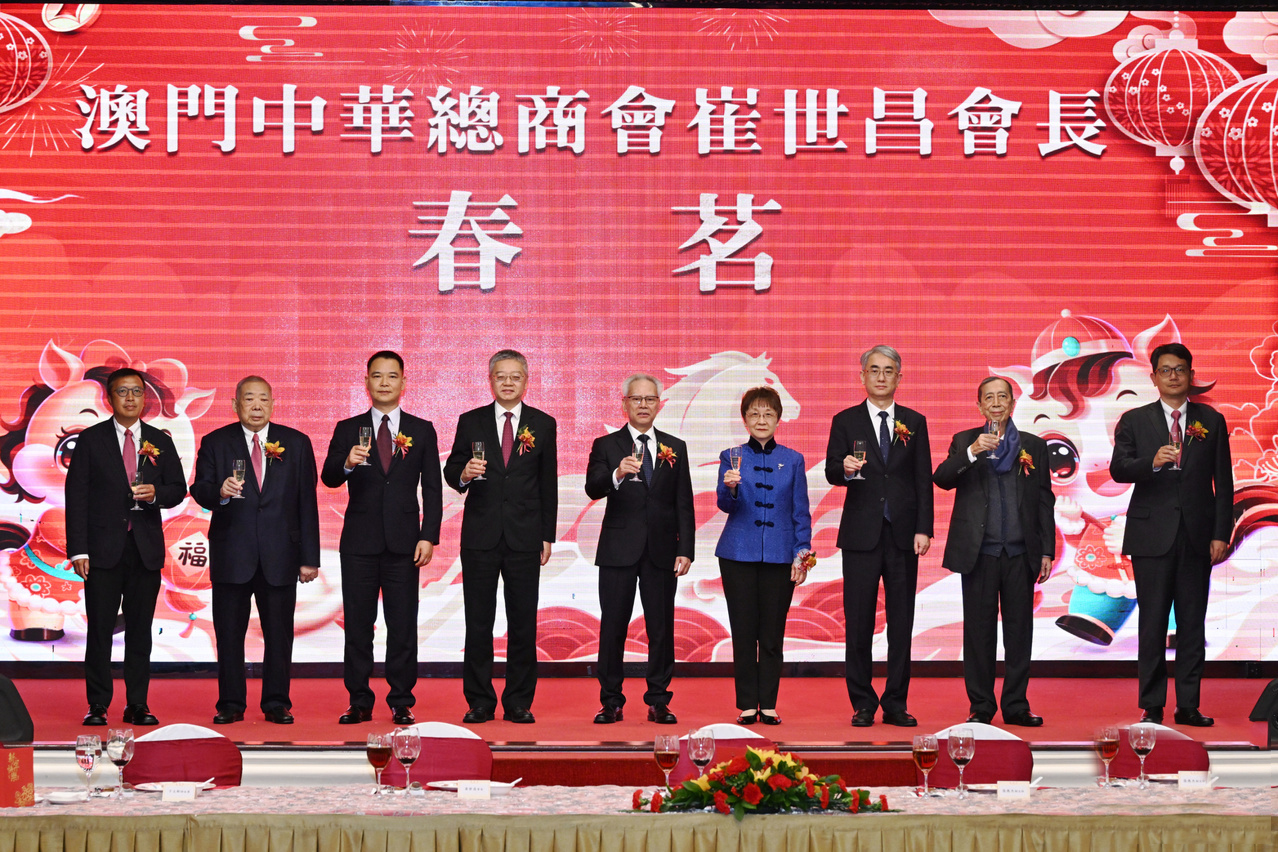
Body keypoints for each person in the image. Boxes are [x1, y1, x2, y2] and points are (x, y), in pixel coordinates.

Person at [1109, 343, 1231, 727]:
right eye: (1166, 370)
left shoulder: (1211, 420)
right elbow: (1118, 469)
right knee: (1153, 623)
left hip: (1197, 536)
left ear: (1191, 375)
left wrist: (1220, 533)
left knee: (1192, 623)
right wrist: (1152, 462)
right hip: (1151, 536)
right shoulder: (1134, 420)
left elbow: (1224, 483)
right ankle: (1152, 705)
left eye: (1180, 369)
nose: (1173, 376)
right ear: (1154, 377)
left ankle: (1188, 705)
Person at [321, 351, 442, 725]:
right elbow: (328, 477)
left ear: (404, 382)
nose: (385, 382)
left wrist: (429, 536)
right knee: (358, 626)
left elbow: (433, 488)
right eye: (377, 376)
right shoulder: (347, 428)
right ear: (367, 382)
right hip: (359, 542)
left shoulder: (422, 430)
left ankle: (401, 700)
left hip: (405, 543)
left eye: (392, 376)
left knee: (403, 625)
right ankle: (359, 700)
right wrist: (347, 463)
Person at [190, 376, 320, 725]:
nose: (257, 405)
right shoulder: (215, 442)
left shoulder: (296, 443)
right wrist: (220, 492)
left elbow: (306, 502)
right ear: (236, 405)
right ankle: (230, 703)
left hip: (281, 555)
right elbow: (199, 489)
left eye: (263, 398)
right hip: (232, 553)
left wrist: (309, 558)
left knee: (279, 635)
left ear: (273, 404)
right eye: (249, 399)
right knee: (229, 634)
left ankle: (277, 702)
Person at [66, 368, 187, 727]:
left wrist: (156, 494)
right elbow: (77, 496)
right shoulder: (91, 440)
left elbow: (178, 489)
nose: (130, 398)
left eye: (136, 391)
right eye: (123, 392)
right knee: (99, 631)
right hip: (101, 551)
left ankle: (137, 704)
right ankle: (98, 704)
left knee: (139, 631)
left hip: (144, 549)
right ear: (110, 398)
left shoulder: (159, 440)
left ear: (144, 397)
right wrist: (79, 550)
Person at [443, 350, 557, 724]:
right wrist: (464, 474)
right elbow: (451, 470)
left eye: (515, 376)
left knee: (522, 623)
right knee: (478, 622)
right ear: (490, 380)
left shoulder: (543, 424)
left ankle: (519, 701)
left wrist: (547, 535)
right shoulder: (470, 420)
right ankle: (479, 701)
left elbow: (548, 483)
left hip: (525, 536)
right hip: (480, 536)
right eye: (501, 376)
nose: (508, 382)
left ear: (526, 380)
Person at [934, 376, 1055, 727]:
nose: (997, 403)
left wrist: (1046, 550)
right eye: (989, 397)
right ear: (979, 405)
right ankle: (981, 706)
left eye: (1003, 396)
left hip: (1020, 554)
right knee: (979, 634)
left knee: (1019, 634)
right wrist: (973, 452)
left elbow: (1044, 500)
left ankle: (1016, 705)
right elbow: (942, 478)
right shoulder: (964, 441)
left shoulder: (1033, 445)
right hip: (979, 555)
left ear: (1013, 404)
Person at [824, 345, 933, 728]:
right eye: (874, 370)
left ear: (899, 377)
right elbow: (831, 470)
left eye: (889, 370)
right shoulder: (845, 420)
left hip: (903, 536)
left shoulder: (914, 421)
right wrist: (846, 469)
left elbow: (922, 479)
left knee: (901, 623)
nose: (881, 376)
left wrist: (924, 528)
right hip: (860, 535)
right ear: (862, 376)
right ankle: (863, 703)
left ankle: (896, 702)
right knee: (858, 622)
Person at [584, 373, 694, 725]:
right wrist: (617, 474)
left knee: (661, 628)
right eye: (636, 399)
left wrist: (686, 549)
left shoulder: (675, 447)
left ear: (659, 404)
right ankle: (611, 701)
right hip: (618, 548)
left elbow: (684, 502)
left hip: (662, 550)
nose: (643, 405)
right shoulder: (606, 445)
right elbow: (592, 487)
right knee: (613, 627)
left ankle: (659, 700)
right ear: (625, 404)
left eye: (650, 399)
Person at [715, 386, 812, 725]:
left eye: (768, 414)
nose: (761, 420)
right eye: (754, 414)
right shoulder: (731, 456)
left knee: (772, 634)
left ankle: (768, 703)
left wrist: (802, 553)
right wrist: (730, 487)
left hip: (780, 555)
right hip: (737, 554)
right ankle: (746, 703)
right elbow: (725, 505)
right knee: (743, 632)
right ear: (744, 419)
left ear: (778, 419)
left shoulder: (794, 459)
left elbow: (801, 511)